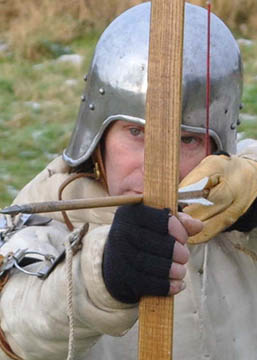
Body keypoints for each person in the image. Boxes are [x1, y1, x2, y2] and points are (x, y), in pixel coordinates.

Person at [0, 2, 257, 360]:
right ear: (98, 134)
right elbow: (18, 326)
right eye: (137, 132)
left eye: (188, 139)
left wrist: (250, 201)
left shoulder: (229, 193)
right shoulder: (49, 213)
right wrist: (103, 278)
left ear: (216, 146)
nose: (159, 166)